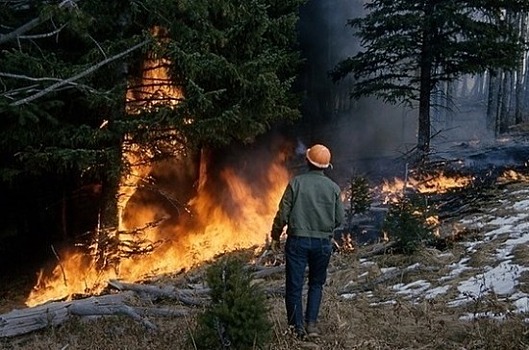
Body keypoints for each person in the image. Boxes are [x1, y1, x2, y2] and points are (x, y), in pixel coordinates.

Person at [270, 143, 345, 339]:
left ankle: (297, 328)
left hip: (297, 242)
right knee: (316, 284)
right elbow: (339, 220)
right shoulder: (334, 188)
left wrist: (275, 236)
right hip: (322, 244)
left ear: (307, 161)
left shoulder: (296, 183)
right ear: (326, 166)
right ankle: (311, 325)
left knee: (294, 286)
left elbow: (282, 214)